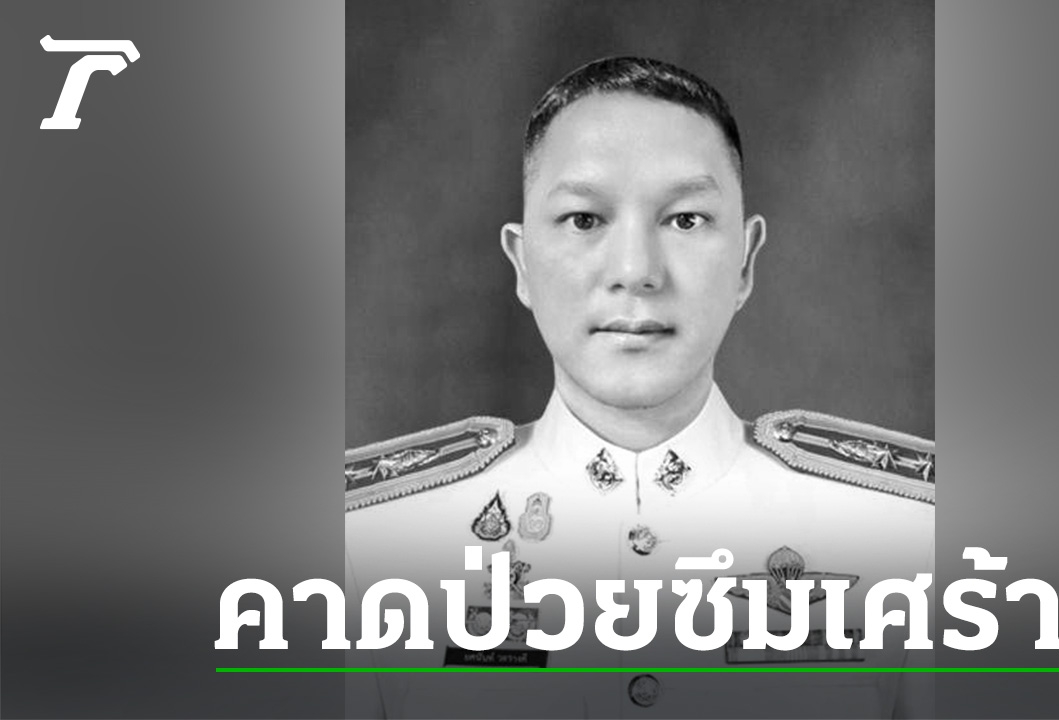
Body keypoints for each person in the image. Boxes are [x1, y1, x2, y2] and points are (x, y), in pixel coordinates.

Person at [345, 56, 935, 718]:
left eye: (685, 220)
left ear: (745, 260)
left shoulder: (909, 537)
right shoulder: (368, 546)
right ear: (521, 262)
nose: (636, 270)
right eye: (584, 219)